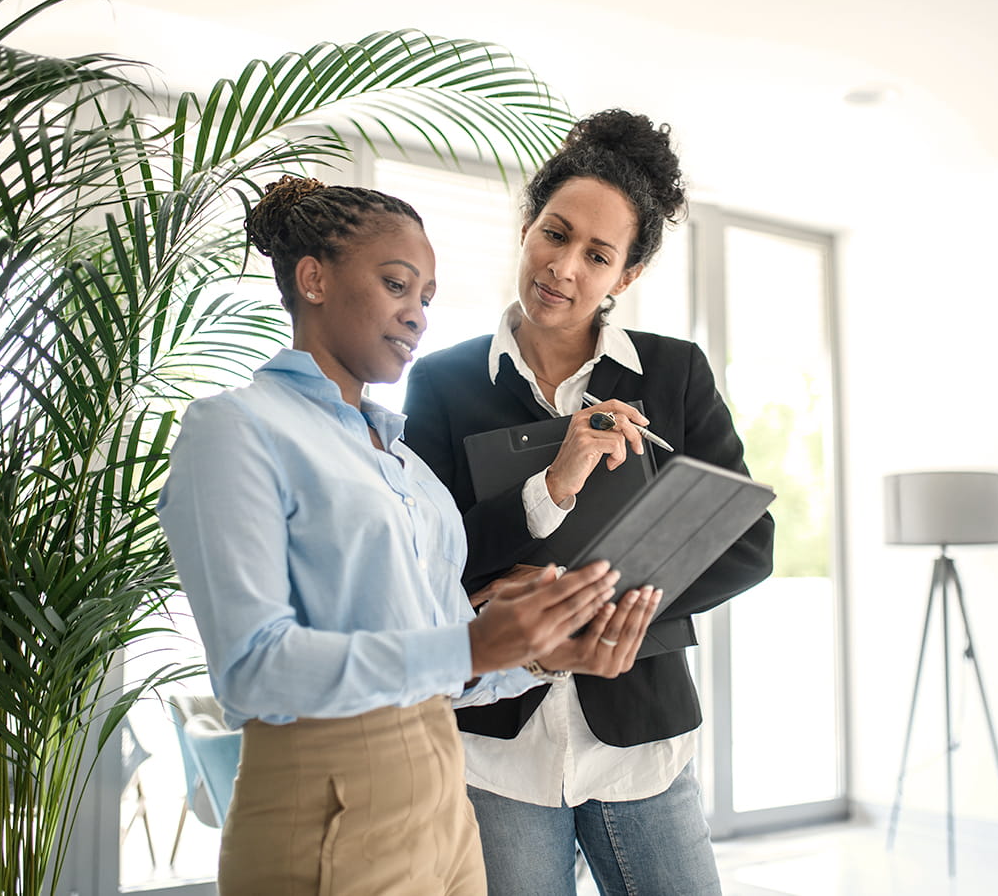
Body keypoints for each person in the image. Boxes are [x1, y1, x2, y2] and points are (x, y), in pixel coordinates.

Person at [156, 176, 660, 896]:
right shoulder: (236, 428)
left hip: (446, 802)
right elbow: (251, 668)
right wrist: (475, 642)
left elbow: (444, 665)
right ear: (314, 278)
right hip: (325, 804)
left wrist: (543, 654)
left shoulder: (410, 468)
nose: (418, 315)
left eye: (426, 296)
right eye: (398, 285)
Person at [401, 110, 776, 894]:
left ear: (625, 276)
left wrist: (601, 610)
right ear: (528, 225)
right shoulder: (442, 383)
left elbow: (747, 540)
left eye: (597, 254)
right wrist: (551, 487)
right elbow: (426, 562)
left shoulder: (674, 375)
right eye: (554, 232)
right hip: (497, 749)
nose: (564, 266)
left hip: (640, 734)